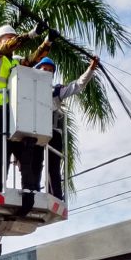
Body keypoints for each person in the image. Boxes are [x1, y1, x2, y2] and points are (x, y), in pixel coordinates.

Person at [0, 23, 52, 193]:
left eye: (12, 36)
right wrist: (32, 34)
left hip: (4, 109)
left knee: (2, 153)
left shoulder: (12, 62)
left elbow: (32, 61)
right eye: (8, 37)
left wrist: (47, 42)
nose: (11, 39)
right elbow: (8, 46)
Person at [32, 56, 99, 198]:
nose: (47, 72)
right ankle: (33, 192)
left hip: (53, 131)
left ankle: (55, 194)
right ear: (37, 70)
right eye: (44, 69)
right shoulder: (29, 89)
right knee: (35, 163)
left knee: (54, 165)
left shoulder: (56, 91)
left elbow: (78, 85)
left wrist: (91, 69)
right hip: (36, 131)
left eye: (50, 71)